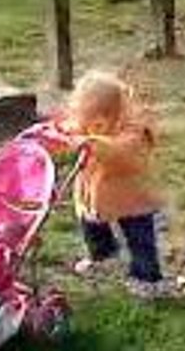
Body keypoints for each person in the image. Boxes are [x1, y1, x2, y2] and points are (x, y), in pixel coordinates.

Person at [62, 70, 169, 299]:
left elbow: (117, 152)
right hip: (95, 192)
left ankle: (147, 277)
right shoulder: (89, 122)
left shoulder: (133, 133)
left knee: (139, 238)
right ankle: (103, 256)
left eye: (91, 121)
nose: (83, 124)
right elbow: (71, 127)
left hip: (131, 198)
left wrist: (91, 142)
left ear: (106, 117)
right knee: (91, 225)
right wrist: (61, 133)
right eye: (81, 117)